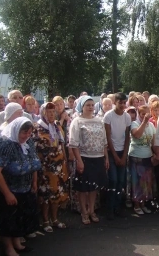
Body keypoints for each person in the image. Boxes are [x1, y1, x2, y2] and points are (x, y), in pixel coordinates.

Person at [0, 117, 41, 256]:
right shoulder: (5, 145)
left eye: (29, 133)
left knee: (20, 218)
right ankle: (8, 247)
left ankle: (17, 243)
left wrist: (34, 182)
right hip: (9, 189)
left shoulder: (28, 142)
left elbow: (34, 163)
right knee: (8, 220)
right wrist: (7, 193)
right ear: (15, 130)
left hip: (25, 188)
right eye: (23, 133)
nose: (26, 136)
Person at [69, 96, 108, 224]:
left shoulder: (99, 121)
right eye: (88, 105)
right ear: (82, 107)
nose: (91, 107)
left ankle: (91, 210)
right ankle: (84, 212)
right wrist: (79, 161)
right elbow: (73, 143)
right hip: (84, 158)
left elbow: (104, 142)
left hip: (98, 158)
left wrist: (106, 158)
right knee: (83, 187)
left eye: (92, 105)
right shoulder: (77, 121)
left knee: (93, 187)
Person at [33, 102, 69, 232]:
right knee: (46, 195)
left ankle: (55, 219)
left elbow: (61, 144)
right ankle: (45, 220)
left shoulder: (57, 125)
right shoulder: (37, 127)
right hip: (45, 168)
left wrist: (65, 161)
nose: (51, 114)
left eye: (53, 112)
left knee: (57, 193)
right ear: (43, 113)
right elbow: (35, 149)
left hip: (59, 166)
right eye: (48, 112)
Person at [103, 92, 132, 220]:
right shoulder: (108, 116)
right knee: (113, 180)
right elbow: (108, 138)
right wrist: (115, 156)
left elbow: (127, 138)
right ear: (115, 102)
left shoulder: (127, 117)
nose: (122, 105)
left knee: (121, 181)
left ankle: (118, 207)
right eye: (120, 102)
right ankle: (109, 207)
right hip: (112, 152)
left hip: (122, 151)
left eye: (124, 102)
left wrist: (124, 155)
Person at [129, 105, 156, 215]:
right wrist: (144, 122)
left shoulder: (151, 125)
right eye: (142, 114)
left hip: (147, 157)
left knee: (146, 182)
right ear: (138, 114)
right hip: (136, 157)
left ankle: (143, 203)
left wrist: (155, 154)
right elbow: (137, 135)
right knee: (137, 182)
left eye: (147, 113)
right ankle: (136, 204)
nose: (145, 116)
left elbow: (153, 142)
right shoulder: (134, 123)